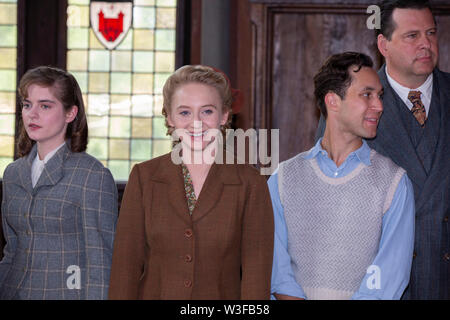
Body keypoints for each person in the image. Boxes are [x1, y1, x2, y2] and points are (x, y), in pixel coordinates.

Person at [316, 0, 450, 299]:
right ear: (383, 44)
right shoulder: (350, 106)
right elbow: (328, 206)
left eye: (431, 33)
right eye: (412, 36)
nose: (426, 44)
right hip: (378, 285)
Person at [108, 65, 274, 300]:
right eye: (185, 112)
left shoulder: (250, 183)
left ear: (224, 115)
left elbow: (256, 278)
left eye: (207, 111)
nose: (196, 123)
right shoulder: (144, 178)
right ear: (169, 117)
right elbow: (125, 268)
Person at [271, 52, 415, 300]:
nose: (379, 106)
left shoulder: (395, 182)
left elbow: (388, 278)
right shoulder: (283, 178)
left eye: (380, 96)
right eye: (367, 95)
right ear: (333, 101)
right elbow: (277, 271)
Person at [0, 66, 118, 299]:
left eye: (45, 105)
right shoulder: (13, 174)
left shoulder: (91, 175)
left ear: (70, 113)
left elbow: (101, 262)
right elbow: (12, 250)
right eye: (27, 105)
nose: (32, 114)